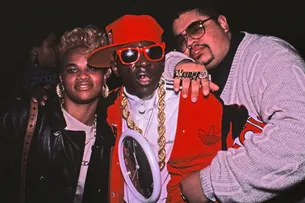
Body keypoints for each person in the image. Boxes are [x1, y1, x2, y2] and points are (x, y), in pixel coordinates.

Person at [87, 14, 266, 203]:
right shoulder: (106, 109)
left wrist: (211, 184)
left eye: (153, 52)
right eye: (130, 54)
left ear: (162, 60)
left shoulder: (198, 99)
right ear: (115, 66)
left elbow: (259, 148)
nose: (143, 62)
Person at [168, 1, 305, 202]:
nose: (189, 43)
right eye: (181, 40)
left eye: (196, 29)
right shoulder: (196, 71)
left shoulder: (268, 55)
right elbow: (155, 67)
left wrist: (209, 184)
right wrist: (179, 62)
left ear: (223, 24)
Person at [0, 26, 115, 203]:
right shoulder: (28, 118)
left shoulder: (109, 137)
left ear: (106, 74)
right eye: (72, 70)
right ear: (61, 78)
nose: (82, 76)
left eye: (92, 69)